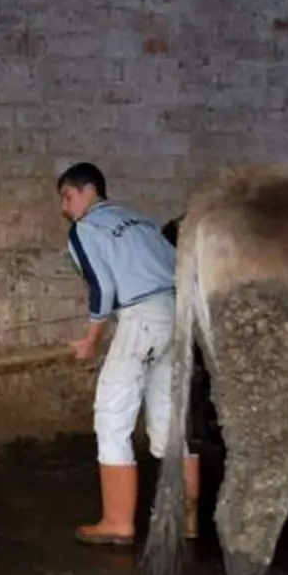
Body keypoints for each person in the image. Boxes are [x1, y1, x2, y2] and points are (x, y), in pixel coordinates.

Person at [56, 161, 201, 547]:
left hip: (141, 319)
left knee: (112, 418)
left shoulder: (85, 229)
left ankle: (118, 523)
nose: (66, 208)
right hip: (177, 315)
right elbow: (181, 267)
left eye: (68, 197)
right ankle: (187, 519)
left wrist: (91, 339)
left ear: (89, 190)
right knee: (171, 422)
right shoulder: (142, 221)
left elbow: (101, 288)